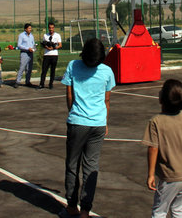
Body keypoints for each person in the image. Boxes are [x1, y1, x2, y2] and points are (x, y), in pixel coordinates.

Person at [60, 38, 115, 218]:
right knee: (91, 166)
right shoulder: (107, 71)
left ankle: (71, 204)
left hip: (77, 122)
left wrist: (73, 113)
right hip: (98, 123)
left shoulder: (73, 66)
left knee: (72, 164)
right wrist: (105, 121)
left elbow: (69, 95)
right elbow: (107, 100)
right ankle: (85, 209)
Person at [143, 79, 182, 218]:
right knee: (179, 208)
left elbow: (153, 148)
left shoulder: (156, 121)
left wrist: (151, 174)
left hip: (171, 176)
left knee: (159, 211)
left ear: (162, 99)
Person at [39, 22, 62, 89]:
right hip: (46, 55)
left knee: (53, 70)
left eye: (52, 28)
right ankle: (41, 84)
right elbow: (44, 44)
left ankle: (50, 84)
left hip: (54, 55)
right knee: (44, 70)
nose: (51, 29)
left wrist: (53, 47)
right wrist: (46, 47)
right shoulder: (45, 35)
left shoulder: (57, 35)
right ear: (48, 28)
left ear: (54, 28)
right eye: (50, 28)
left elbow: (60, 45)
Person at [15, 23, 35, 88]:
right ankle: (17, 81)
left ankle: (27, 81)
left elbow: (33, 44)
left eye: (31, 28)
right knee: (22, 67)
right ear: (25, 29)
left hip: (31, 53)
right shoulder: (21, 35)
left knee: (29, 68)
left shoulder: (32, 36)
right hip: (24, 53)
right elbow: (19, 45)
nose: (30, 29)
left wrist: (34, 48)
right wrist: (27, 48)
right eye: (29, 28)